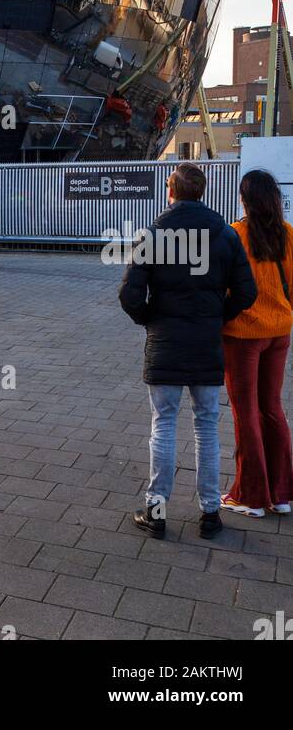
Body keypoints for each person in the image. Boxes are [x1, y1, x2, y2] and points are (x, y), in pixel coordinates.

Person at [119, 161, 256, 541]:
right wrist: (217, 316)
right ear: (202, 191)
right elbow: (247, 292)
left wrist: (151, 318)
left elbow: (129, 294)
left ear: (172, 191)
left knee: (162, 424)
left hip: (165, 344)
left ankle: (156, 512)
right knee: (207, 427)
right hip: (206, 345)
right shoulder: (226, 235)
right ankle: (210, 514)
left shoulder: (154, 233)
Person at [221, 169, 293, 518]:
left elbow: (225, 286)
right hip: (280, 332)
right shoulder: (289, 235)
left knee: (245, 412)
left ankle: (250, 496)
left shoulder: (235, 235)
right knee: (272, 408)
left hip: (242, 336)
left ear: (246, 200)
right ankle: (281, 494)